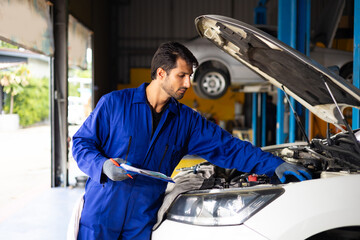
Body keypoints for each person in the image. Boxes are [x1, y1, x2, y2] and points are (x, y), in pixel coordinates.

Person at [72, 41, 311, 239]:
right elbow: (82, 142)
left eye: (190, 76)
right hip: (101, 214)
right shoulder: (115, 104)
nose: (188, 83)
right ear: (161, 73)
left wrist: (274, 164)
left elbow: (228, 147)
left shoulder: (186, 122)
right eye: (182, 75)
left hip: (141, 222)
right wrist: (102, 166)